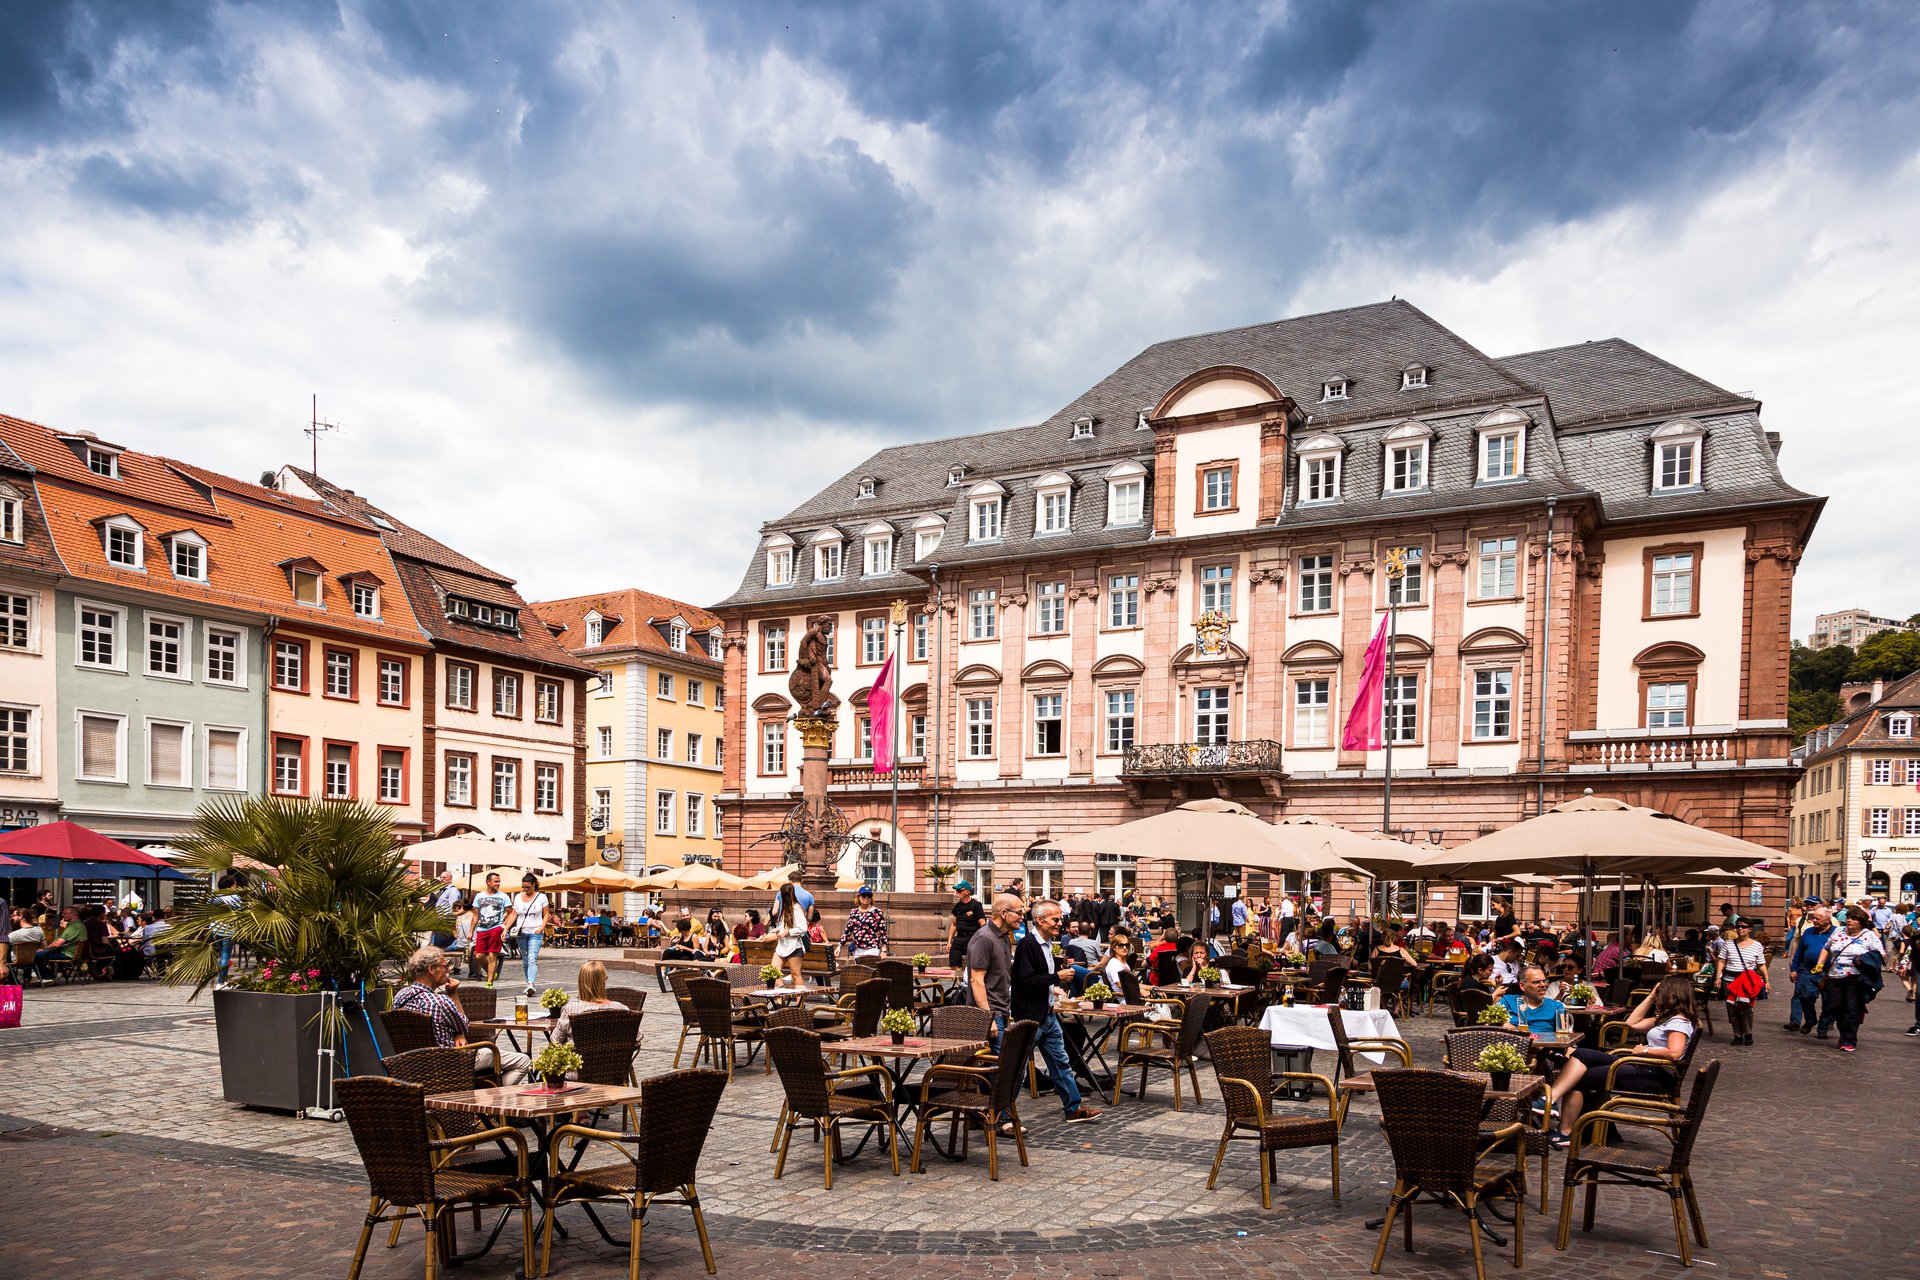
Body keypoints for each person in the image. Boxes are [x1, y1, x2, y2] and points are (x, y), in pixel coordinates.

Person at [1544, 974, 1695, 1149]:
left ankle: (1565, 1132)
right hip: (1642, 1066)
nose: (1658, 995)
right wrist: (1650, 997)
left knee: (1581, 1077)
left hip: (1653, 1073)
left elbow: (1675, 1053)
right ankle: (1551, 1099)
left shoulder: (1678, 1022)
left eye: (1660, 992)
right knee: (1582, 1054)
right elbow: (1632, 1023)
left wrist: (1646, 1050)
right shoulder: (1666, 1019)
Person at [1011, 898, 1101, 1124]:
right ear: (1040, 920)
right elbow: (1026, 981)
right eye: (1055, 919)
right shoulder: (1027, 945)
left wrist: (1055, 987)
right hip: (1031, 1017)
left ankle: (1073, 1107)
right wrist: (1055, 977)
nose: (1060, 923)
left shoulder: (1048, 945)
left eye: (1060, 919)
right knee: (1016, 1067)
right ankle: (1001, 1112)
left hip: (1048, 1015)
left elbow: (1041, 979)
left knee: (1061, 1063)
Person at [391, 945, 529, 1083]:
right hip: (450, 1062)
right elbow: (464, 1025)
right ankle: (492, 1093)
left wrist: (458, 1034)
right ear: (431, 969)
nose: (448, 970)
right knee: (523, 1061)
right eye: (445, 966)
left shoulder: (400, 996)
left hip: (412, 1064)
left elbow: (457, 1028)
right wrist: (453, 994)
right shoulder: (440, 1002)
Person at [1814, 906, 1883, 1053]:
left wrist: (1863, 960)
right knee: (1835, 1007)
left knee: (1852, 1009)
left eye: (1853, 919)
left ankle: (1849, 1040)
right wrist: (1820, 964)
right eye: (1848, 918)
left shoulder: (1869, 935)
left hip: (1856, 978)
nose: (1849, 920)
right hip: (1834, 976)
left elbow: (1880, 955)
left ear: (1861, 922)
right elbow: (1826, 948)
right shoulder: (1838, 931)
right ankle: (1844, 1033)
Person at [1713, 919, 1767, 1046]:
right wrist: (1718, 977)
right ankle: (1737, 1035)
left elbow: (1761, 964)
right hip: (1730, 981)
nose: (1740, 929)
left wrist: (1767, 980)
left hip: (1746, 982)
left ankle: (1748, 1033)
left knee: (1747, 1008)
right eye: (1738, 927)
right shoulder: (1728, 944)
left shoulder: (1757, 945)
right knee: (1732, 1008)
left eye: (1743, 927)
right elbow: (1721, 961)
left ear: (1750, 929)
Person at [1785, 901, 1835, 1036]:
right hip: (1808, 970)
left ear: (1828, 919)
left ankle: (1823, 1028)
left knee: (1829, 1002)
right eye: (1813, 918)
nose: (1814, 920)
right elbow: (1799, 952)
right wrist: (1794, 969)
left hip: (1829, 973)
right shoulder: (1808, 932)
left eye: (1818, 918)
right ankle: (1811, 1019)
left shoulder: (1836, 933)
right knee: (1805, 997)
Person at [553, 960, 626, 1045]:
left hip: (578, 1053)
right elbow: (637, 1037)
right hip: (614, 1053)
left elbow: (555, 1040)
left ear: (581, 982)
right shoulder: (621, 1009)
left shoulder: (571, 1010)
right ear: (605, 980)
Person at [509, 873, 550, 996]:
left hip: (535, 932)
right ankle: (529, 983)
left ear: (534, 885)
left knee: (532, 958)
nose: (525, 889)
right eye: (523, 887)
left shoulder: (541, 897)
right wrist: (505, 928)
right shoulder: (518, 897)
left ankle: (531, 984)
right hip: (521, 932)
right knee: (525, 959)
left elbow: (546, 914)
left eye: (528, 887)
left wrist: (542, 927)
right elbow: (514, 914)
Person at [1497, 964, 1566, 1036]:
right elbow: (1492, 1018)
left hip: (1545, 1042)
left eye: (1544, 981)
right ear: (1522, 986)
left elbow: (1563, 1036)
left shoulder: (1556, 1007)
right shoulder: (1508, 1001)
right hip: (1515, 1042)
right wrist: (1504, 1023)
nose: (1543, 985)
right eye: (1536, 982)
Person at [470, 872, 512, 988]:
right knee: (479, 956)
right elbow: (475, 915)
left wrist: (504, 925)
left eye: (499, 881)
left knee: (492, 955)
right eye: (495, 881)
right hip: (482, 929)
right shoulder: (479, 896)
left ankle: (489, 983)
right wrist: (470, 931)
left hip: (496, 928)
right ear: (488, 882)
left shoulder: (503, 896)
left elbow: (511, 912)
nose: (498, 884)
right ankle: (492, 973)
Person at [768, 883, 809, 986]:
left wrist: (787, 932)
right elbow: (786, 924)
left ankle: (800, 996)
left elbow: (803, 928)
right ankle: (780, 994)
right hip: (782, 945)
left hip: (794, 946)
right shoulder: (786, 907)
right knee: (774, 972)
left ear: (782, 895)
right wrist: (778, 929)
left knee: (795, 974)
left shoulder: (796, 908)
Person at [840, 885, 889, 960]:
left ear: (871, 898)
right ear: (859, 897)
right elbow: (848, 930)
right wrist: (840, 945)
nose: (866, 897)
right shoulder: (854, 912)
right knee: (859, 968)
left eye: (869, 895)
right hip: (857, 949)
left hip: (872, 948)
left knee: (869, 967)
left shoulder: (877, 912)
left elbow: (883, 932)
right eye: (864, 895)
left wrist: (884, 950)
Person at [947, 880, 986, 971]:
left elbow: (982, 923)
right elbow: (954, 925)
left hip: (972, 937)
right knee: (953, 964)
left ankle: (969, 978)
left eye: (959, 891)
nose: (956, 893)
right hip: (959, 938)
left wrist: (982, 939)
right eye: (956, 891)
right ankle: (961, 977)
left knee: (974, 964)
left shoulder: (976, 905)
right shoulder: (958, 906)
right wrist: (949, 942)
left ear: (967, 892)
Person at [427, 871, 460, 948]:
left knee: (442, 945)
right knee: (438, 944)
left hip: (446, 921)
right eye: (441, 877)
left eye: (444, 877)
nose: (441, 879)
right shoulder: (443, 890)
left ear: (450, 879)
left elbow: (454, 907)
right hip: (441, 921)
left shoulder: (453, 890)